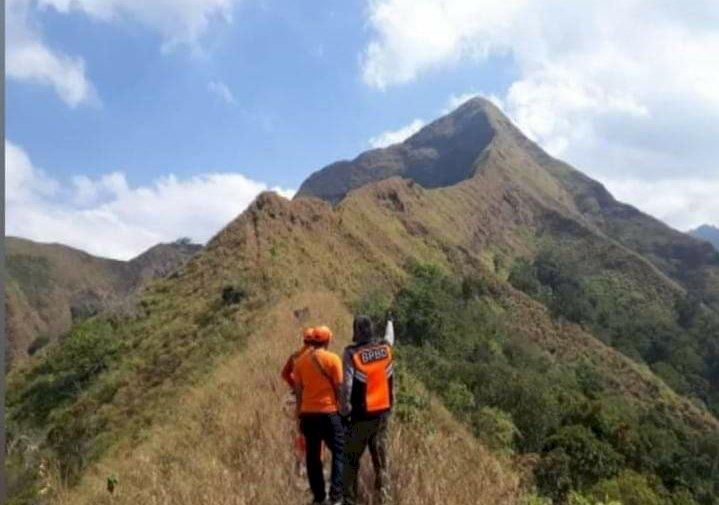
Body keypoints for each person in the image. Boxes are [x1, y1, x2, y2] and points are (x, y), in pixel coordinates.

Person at [341, 316, 394, 505]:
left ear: (356, 332)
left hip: (361, 418)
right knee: (381, 462)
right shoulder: (385, 349)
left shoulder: (351, 354)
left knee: (350, 460)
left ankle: (349, 500)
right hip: (383, 416)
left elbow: (346, 387)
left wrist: (344, 413)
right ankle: (384, 497)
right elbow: (389, 338)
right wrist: (389, 322)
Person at [294, 325, 345, 505]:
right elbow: (339, 387)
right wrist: (343, 410)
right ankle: (336, 495)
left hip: (308, 414)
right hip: (329, 413)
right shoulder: (333, 359)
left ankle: (319, 497)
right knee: (340, 451)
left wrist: (299, 414)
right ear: (327, 341)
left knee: (312, 456)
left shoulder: (300, 362)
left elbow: (299, 391)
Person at [281, 327, 315, 474]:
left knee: (300, 429)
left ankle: (300, 461)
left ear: (303, 340)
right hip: (314, 398)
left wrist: (294, 386)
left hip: (298, 398)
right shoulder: (317, 357)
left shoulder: (295, 356)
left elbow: (284, 374)